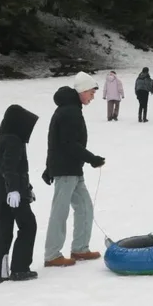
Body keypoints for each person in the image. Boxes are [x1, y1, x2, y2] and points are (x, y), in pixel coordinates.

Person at [42, 71, 106, 267]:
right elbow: (68, 143)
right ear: (82, 90)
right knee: (60, 211)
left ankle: (80, 248)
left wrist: (48, 166)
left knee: (85, 207)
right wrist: (92, 159)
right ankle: (52, 254)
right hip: (66, 169)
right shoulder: (69, 111)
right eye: (91, 93)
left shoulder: (70, 109)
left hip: (72, 169)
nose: (93, 97)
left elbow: (55, 140)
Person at [0, 104, 40, 284]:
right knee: (28, 226)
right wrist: (15, 191)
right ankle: (19, 268)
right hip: (13, 195)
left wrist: (28, 187)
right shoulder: (13, 140)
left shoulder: (2, 138)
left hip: (2, 194)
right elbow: (8, 168)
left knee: (3, 230)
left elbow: (13, 169)